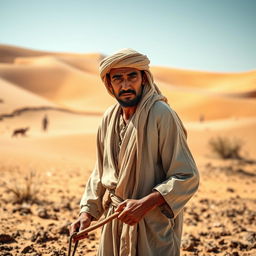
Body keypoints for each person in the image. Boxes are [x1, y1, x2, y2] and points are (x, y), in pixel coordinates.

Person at [70, 49, 200, 256]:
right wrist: (87, 212)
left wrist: (144, 204)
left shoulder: (161, 114)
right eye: (118, 79)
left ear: (144, 78)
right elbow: (101, 171)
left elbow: (186, 176)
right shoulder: (108, 118)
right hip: (115, 224)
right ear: (109, 84)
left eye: (132, 76)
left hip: (152, 226)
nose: (126, 85)